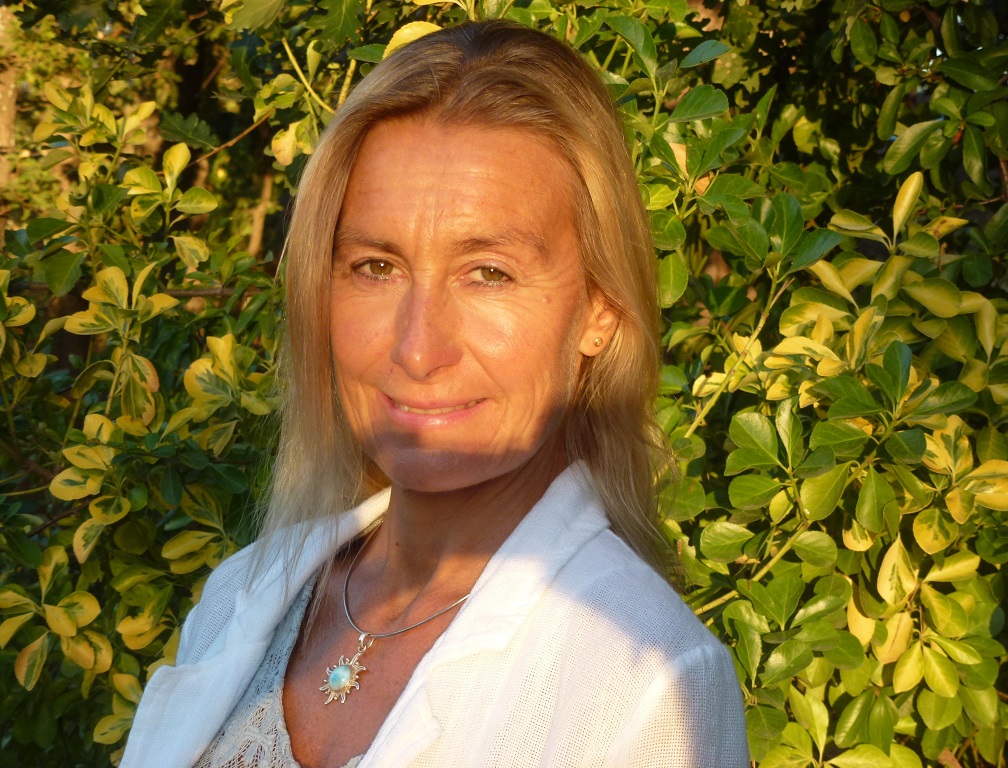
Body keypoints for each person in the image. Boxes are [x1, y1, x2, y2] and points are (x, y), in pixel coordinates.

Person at [122, 20, 749, 768]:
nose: (418, 349)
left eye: (488, 273)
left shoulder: (644, 684)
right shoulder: (240, 597)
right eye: (376, 267)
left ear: (599, 312)